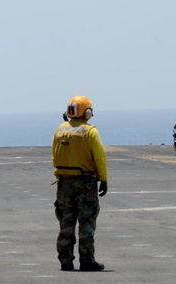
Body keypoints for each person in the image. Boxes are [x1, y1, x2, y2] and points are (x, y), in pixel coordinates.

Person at [52, 95, 108, 272]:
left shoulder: (59, 130)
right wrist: (103, 179)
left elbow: (54, 156)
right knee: (86, 222)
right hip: (85, 183)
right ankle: (86, 260)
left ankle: (65, 261)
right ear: (87, 112)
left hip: (64, 183)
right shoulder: (90, 131)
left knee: (66, 222)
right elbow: (99, 157)